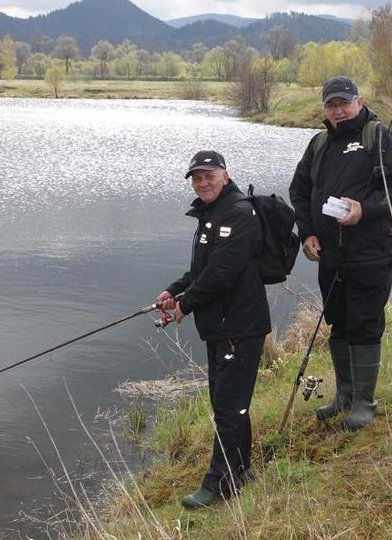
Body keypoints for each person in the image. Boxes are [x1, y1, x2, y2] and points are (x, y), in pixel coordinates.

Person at [288, 76, 392, 431]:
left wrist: (365, 209)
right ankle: (344, 396)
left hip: (372, 253)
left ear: (359, 102)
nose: (338, 110)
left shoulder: (380, 137)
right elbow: (299, 191)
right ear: (325, 109)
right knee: (339, 323)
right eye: (331, 105)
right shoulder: (319, 143)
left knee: (364, 325)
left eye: (344, 103)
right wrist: (307, 232)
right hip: (331, 256)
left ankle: (364, 403)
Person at [157, 150, 270, 508]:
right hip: (222, 324)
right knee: (231, 403)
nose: (203, 183)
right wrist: (174, 290)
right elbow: (203, 270)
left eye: (209, 176)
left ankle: (219, 483)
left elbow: (222, 273)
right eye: (197, 177)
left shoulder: (237, 213)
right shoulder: (212, 213)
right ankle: (241, 471)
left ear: (225, 174)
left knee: (227, 406)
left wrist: (185, 304)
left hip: (238, 324)